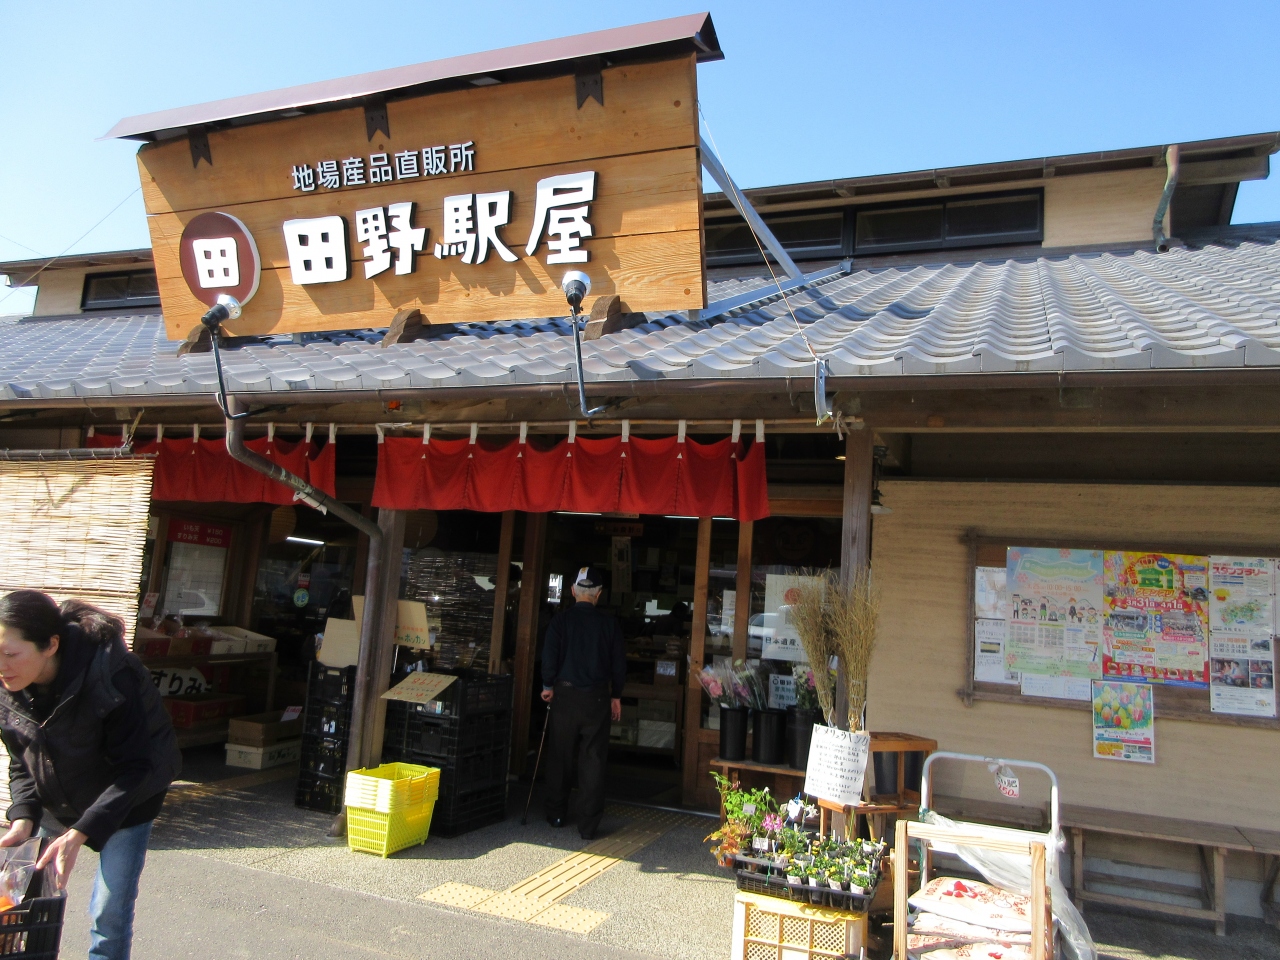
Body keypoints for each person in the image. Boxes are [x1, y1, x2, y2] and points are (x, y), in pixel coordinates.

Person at [0, 590, 181, 960]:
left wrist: (80, 833)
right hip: (60, 788)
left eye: (10, 653)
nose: (1, 665)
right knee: (32, 904)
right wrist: (22, 818)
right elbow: (22, 759)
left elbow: (135, 767)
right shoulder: (8, 685)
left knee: (108, 911)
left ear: (50, 645)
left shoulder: (111, 672)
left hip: (129, 796)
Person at [540, 566, 626, 840]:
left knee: (560, 756)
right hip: (597, 698)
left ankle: (556, 814)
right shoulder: (609, 625)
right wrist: (616, 696)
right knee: (593, 759)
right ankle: (588, 826)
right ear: (599, 594)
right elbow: (619, 665)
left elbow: (549, 656)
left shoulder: (560, 621)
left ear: (573, 591)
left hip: (564, 696)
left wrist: (547, 686)